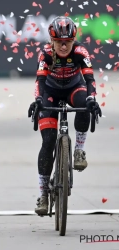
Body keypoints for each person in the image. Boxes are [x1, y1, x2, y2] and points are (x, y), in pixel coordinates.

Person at [28, 16, 102, 215]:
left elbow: (89, 79)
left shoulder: (80, 52)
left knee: (85, 104)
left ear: (73, 41)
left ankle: (78, 150)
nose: (63, 46)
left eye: (67, 42)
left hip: (73, 88)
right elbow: (40, 82)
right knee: (49, 141)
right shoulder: (45, 54)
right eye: (59, 42)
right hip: (50, 93)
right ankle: (43, 194)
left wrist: (92, 98)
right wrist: (37, 100)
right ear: (52, 41)